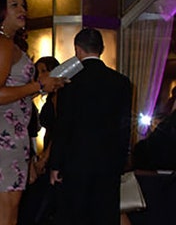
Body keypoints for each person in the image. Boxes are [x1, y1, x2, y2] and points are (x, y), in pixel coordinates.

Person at [0, 0, 64, 225]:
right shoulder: (2, 44)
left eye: (23, 5)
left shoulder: (3, 43)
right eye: (14, 5)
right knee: (6, 217)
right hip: (4, 137)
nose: (22, 10)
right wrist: (40, 86)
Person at [49, 27, 132, 225]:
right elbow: (124, 126)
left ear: (77, 49)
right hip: (108, 162)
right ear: (101, 49)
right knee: (105, 215)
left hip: (75, 162)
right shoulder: (121, 82)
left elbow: (63, 125)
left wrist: (55, 164)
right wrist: (121, 161)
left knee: (75, 215)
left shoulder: (69, 82)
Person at [18, 56, 60, 225]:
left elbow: (58, 130)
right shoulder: (46, 98)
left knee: (41, 207)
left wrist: (45, 157)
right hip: (46, 153)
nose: (40, 76)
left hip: (54, 155)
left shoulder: (60, 96)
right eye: (38, 72)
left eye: (44, 71)